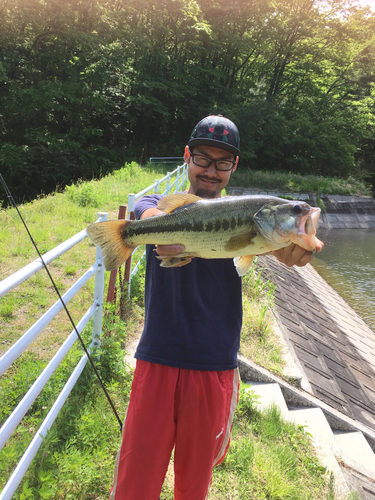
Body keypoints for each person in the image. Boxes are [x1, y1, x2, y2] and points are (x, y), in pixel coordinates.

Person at [109, 115, 324, 500]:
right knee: (135, 481)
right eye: (203, 158)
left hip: (214, 365)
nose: (211, 170)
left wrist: (293, 251)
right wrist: (159, 225)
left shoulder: (259, 226)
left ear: (234, 166)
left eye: (223, 162)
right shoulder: (163, 205)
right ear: (187, 157)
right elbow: (147, 206)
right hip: (156, 356)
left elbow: (281, 253)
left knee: (195, 484)